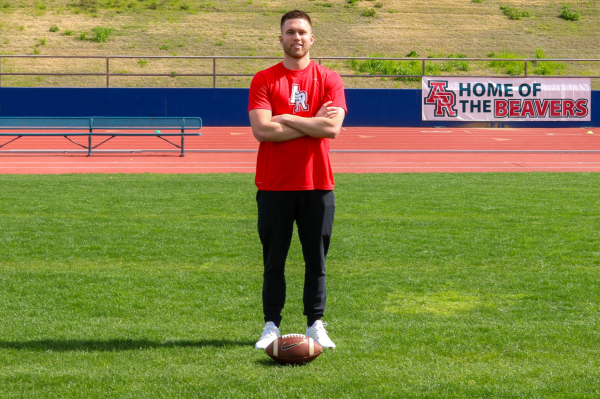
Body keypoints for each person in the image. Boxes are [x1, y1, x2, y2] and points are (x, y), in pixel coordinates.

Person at [248, 9, 347, 350]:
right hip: (274, 185)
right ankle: (270, 325)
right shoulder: (264, 79)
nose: (297, 38)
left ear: (312, 38)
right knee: (274, 260)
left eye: (302, 32)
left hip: (317, 184)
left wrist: (286, 116)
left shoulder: (329, 79)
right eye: (290, 32)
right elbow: (262, 130)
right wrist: (309, 121)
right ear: (281, 38)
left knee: (316, 260)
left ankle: (315, 323)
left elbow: (331, 128)